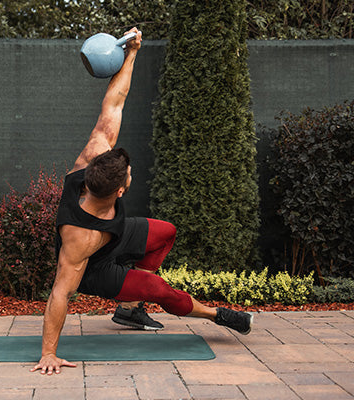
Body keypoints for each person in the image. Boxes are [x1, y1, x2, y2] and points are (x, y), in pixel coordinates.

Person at [30, 28, 254, 375]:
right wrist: (48, 353)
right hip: (95, 267)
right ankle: (217, 315)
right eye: (130, 174)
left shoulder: (93, 157)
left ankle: (130, 308)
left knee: (165, 232)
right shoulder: (80, 238)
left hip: (115, 234)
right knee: (158, 289)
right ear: (120, 191)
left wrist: (132, 52)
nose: (130, 172)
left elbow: (114, 101)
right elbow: (61, 293)